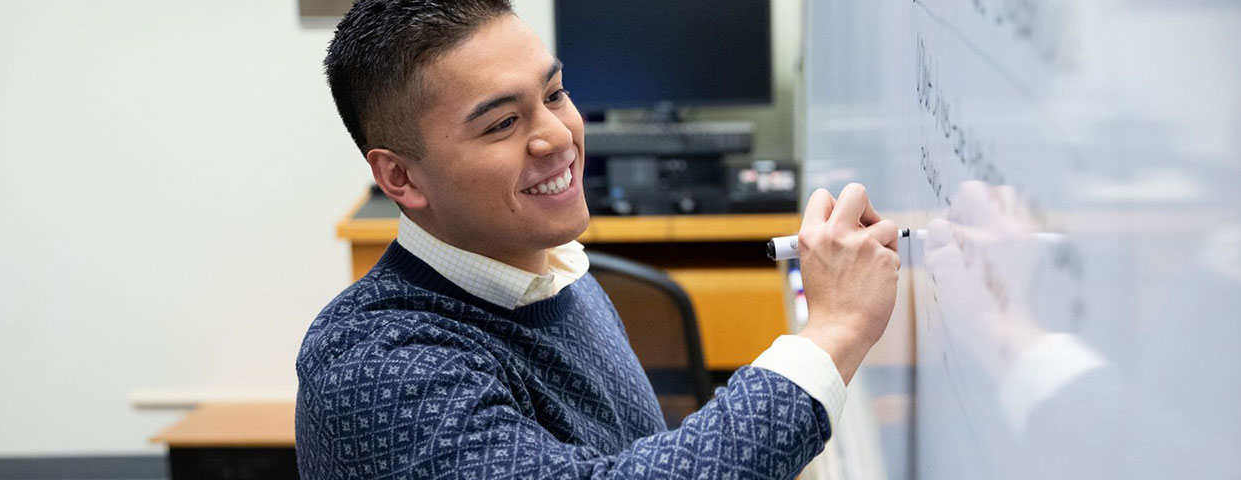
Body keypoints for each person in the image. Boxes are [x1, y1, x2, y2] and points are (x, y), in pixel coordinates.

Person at [294, 1, 901, 478]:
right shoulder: (373, 364)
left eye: (554, 94)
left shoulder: (551, 273)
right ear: (400, 177)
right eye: (503, 123)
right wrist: (835, 331)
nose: (558, 136)